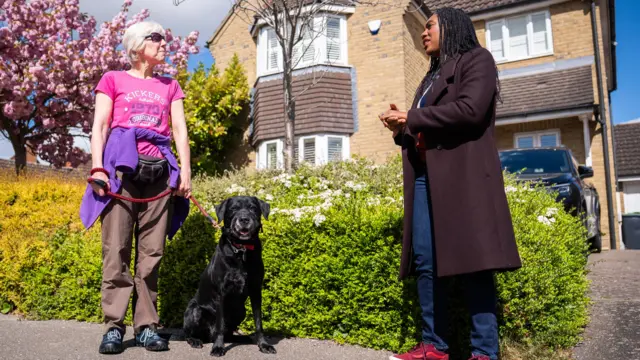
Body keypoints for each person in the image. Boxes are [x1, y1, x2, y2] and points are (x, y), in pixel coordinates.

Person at [379, 8, 522, 360]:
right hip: (427, 178)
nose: (424, 33)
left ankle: (483, 353)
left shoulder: (478, 60)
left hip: (463, 179)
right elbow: (425, 126)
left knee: (475, 262)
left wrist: (411, 116)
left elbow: (470, 110)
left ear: (452, 27)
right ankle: (434, 347)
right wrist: (403, 130)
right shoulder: (430, 78)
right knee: (426, 261)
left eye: (430, 26)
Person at [79, 21, 192, 355]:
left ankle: (146, 327)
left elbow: (180, 131)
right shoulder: (113, 79)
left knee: (152, 254)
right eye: (156, 37)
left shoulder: (171, 86)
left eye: (163, 37)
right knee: (116, 250)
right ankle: (114, 327)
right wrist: (98, 168)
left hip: (159, 174)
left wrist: (185, 171)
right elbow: (99, 126)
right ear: (136, 45)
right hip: (120, 173)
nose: (163, 42)